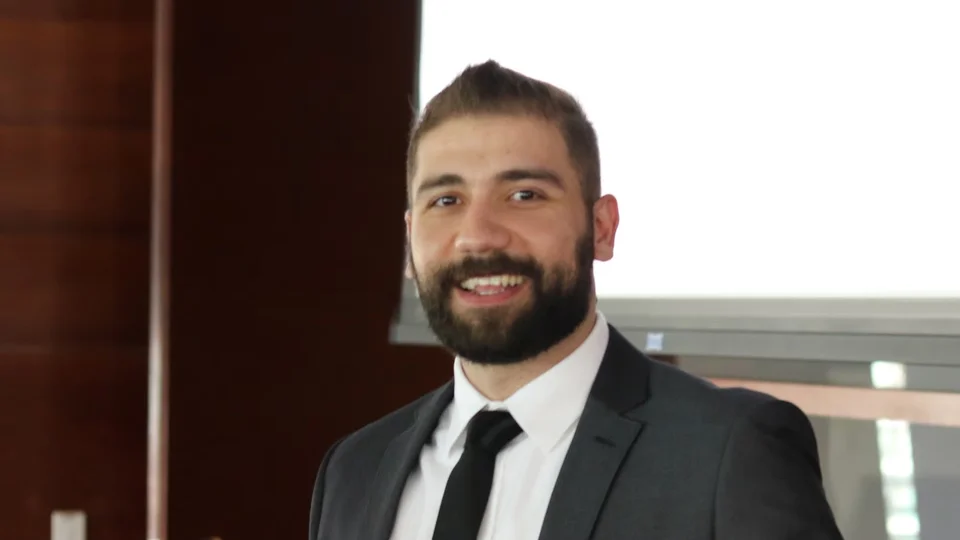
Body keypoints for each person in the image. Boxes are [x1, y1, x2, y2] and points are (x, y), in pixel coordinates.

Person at [308, 60, 844, 540]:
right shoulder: (354, 471)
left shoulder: (730, 451)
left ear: (602, 228)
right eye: (446, 200)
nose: (478, 236)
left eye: (524, 195)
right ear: (409, 240)